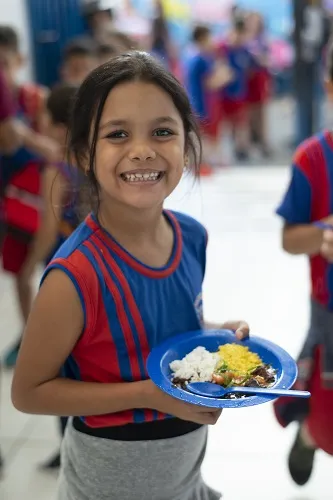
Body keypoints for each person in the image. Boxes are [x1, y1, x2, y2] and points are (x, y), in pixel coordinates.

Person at [11, 51, 250, 500]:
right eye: (117, 134)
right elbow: (30, 393)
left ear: (187, 143)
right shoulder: (75, 275)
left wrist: (215, 335)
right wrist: (147, 394)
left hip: (184, 473)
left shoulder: (192, 238)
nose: (143, 149)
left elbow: (164, 331)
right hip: (108, 482)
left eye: (163, 132)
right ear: (84, 154)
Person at [273, 39, 333, 487]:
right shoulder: (313, 158)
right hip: (329, 315)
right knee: (327, 417)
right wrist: (324, 234)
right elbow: (291, 240)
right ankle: (309, 435)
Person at [18, 83, 81, 470]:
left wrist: (27, 267)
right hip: (98, 271)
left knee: (61, 364)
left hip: (63, 273)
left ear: (58, 127)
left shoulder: (56, 169)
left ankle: (68, 448)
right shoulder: (97, 163)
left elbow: (48, 228)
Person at [0, 26, 58, 368]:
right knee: (20, 272)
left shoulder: (37, 99)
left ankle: (58, 335)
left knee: (50, 269)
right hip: (11, 205)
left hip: (43, 199)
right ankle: (27, 334)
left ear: (18, 60)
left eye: (5, 63)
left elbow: (54, 148)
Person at [186, 25, 233, 172]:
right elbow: (211, 83)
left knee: (203, 135)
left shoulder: (193, 57)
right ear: (201, 38)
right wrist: (225, 76)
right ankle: (201, 164)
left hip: (200, 103)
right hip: (202, 104)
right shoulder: (200, 59)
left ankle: (203, 163)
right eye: (208, 37)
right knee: (203, 136)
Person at [217, 15, 255, 161]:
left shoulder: (244, 50)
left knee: (241, 122)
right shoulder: (222, 48)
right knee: (225, 123)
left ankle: (242, 149)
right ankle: (227, 150)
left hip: (240, 93)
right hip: (224, 94)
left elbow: (249, 70)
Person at [246, 12, 272, 157]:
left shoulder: (262, 40)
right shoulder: (244, 39)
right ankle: (250, 141)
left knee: (260, 111)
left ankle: (262, 141)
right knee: (247, 112)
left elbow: (267, 60)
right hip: (247, 80)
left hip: (259, 78)